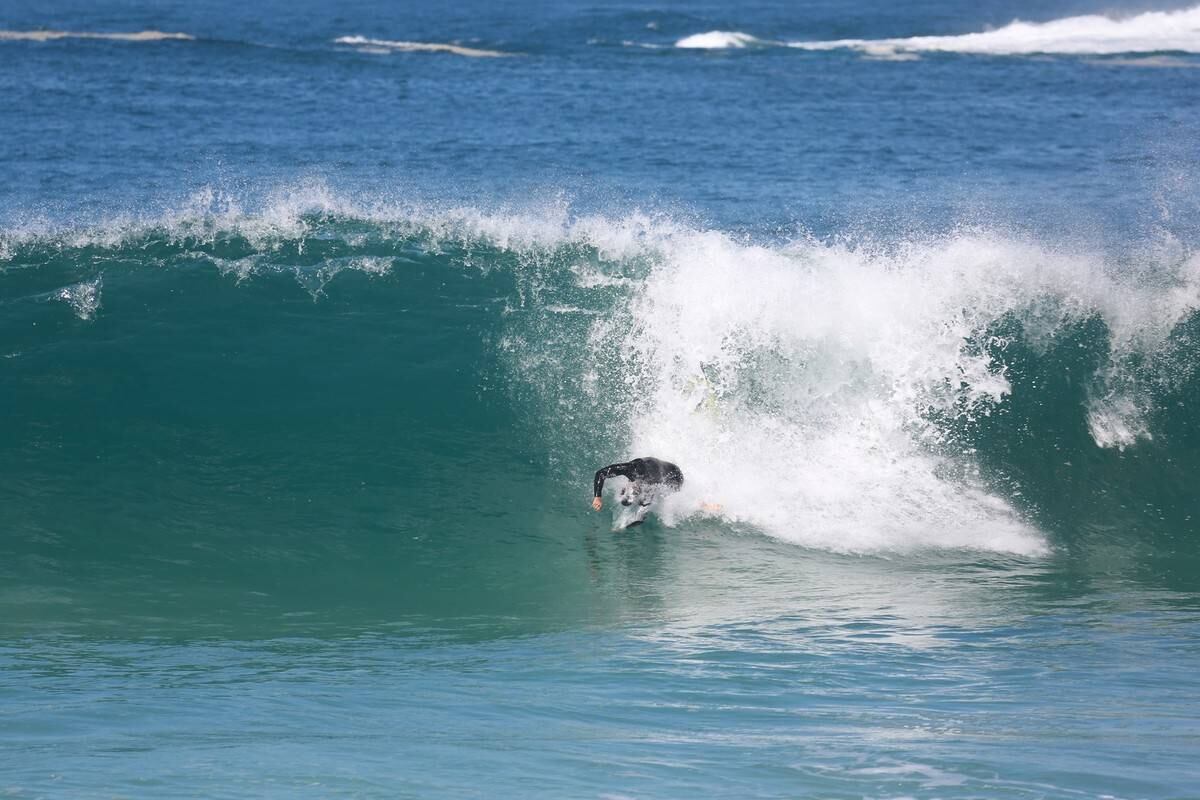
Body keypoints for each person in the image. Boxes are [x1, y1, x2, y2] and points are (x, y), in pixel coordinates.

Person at [591, 457, 684, 526]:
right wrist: (597, 497)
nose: (637, 483)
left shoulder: (653, 478)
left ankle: (696, 504)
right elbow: (600, 473)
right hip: (649, 466)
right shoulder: (628, 468)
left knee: (646, 500)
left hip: (675, 476)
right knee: (627, 498)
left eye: (640, 481)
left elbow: (647, 501)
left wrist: (640, 518)